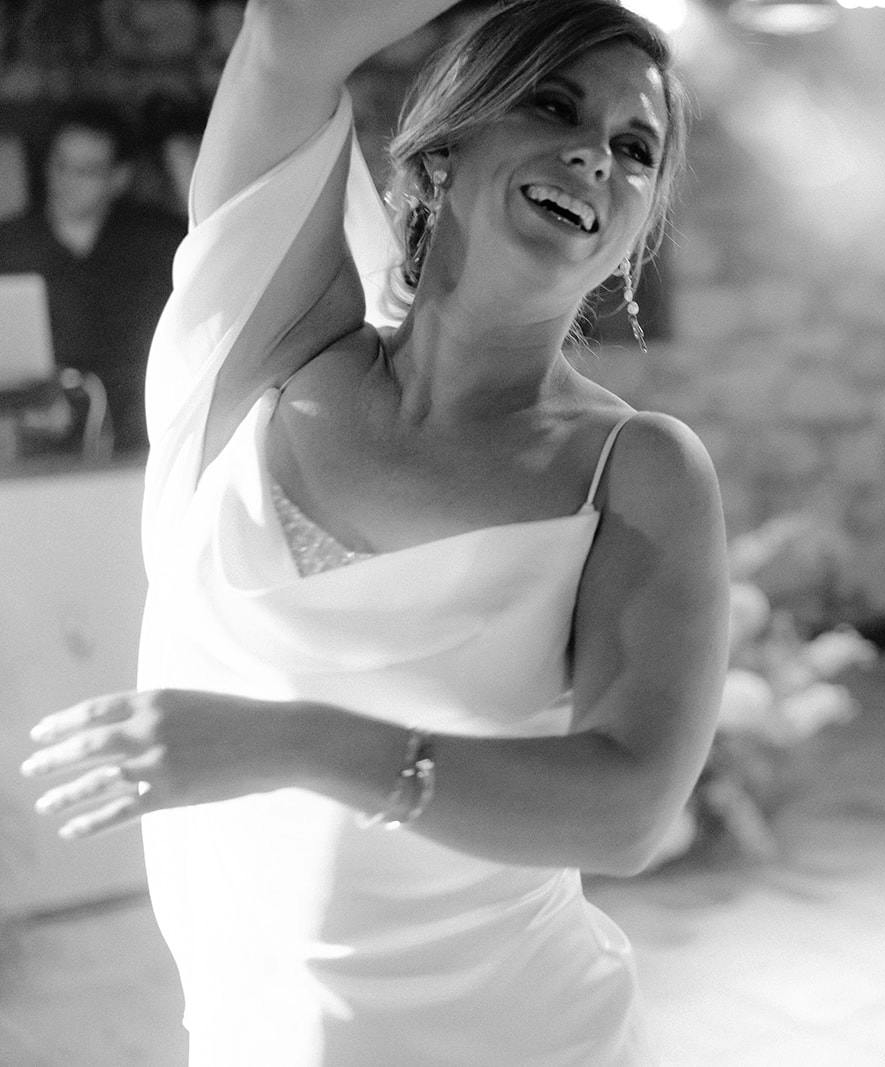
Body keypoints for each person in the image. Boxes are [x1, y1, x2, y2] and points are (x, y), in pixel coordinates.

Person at [21, 0, 728, 1063]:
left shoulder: (636, 468)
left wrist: (294, 742)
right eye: (553, 105)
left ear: (632, 240)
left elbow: (627, 813)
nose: (595, 154)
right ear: (443, 145)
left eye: (636, 149)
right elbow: (283, 36)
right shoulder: (269, 351)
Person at [0, 100, 185, 454]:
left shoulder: (158, 243)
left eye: (86, 170)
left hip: (145, 436)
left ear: (119, 178)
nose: (66, 180)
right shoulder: (10, 246)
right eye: (60, 164)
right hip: (34, 445)